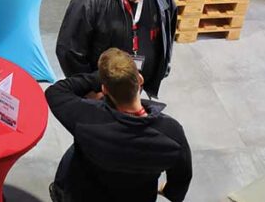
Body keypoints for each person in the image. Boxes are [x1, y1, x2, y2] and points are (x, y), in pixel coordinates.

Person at [46, 48, 192, 202]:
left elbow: (56, 92)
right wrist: (170, 192)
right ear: (140, 80)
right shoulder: (172, 134)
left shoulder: (87, 120)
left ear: (104, 89)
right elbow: (182, 178)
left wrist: (102, 76)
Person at [56, 0, 177, 98]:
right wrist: (89, 92)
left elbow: (167, 36)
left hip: (136, 84)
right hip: (101, 91)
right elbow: (68, 51)